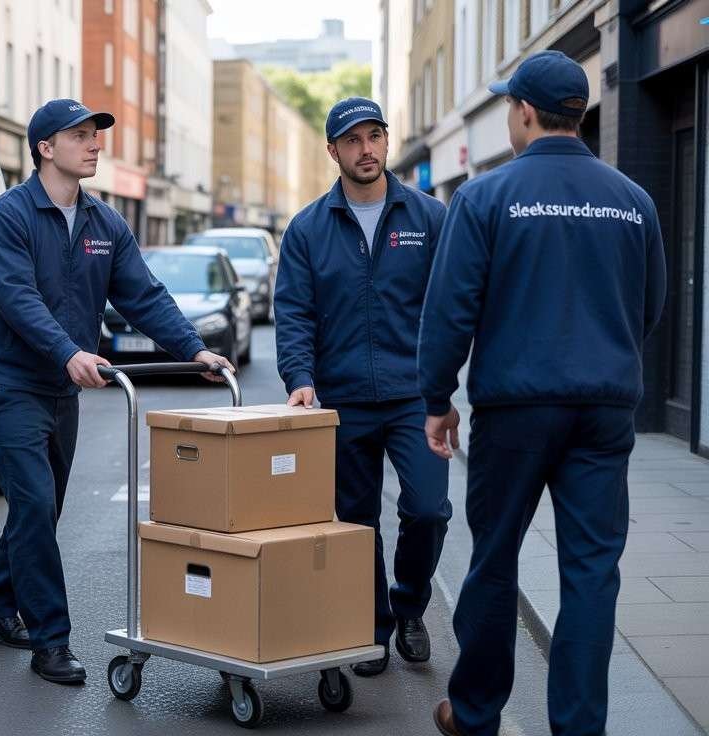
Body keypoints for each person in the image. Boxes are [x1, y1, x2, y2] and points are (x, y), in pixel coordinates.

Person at [420, 51, 666, 736]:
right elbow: (650, 307)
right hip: (605, 409)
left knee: (494, 560)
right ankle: (579, 727)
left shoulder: (485, 197)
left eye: (509, 106)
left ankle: (474, 714)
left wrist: (436, 399)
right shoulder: (633, 200)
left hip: (515, 410)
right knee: (591, 572)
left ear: (524, 112)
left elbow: (450, 312)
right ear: (580, 115)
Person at [0, 98, 235, 685]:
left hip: (61, 384)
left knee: (45, 504)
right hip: (7, 377)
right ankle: (50, 641)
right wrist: (68, 353)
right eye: (81, 136)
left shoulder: (104, 223)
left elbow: (144, 295)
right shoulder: (6, 218)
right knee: (35, 501)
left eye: (96, 135)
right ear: (44, 147)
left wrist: (194, 349)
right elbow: (17, 300)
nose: (95, 145)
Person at [274, 97, 451, 677]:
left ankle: (410, 607)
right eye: (353, 140)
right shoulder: (307, 227)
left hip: (414, 399)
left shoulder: (427, 217)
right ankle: (370, 627)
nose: (367, 149)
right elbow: (294, 311)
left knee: (428, 510)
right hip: (342, 398)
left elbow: (451, 306)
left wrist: (444, 388)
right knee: (355, 523)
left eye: (375, 136)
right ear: (333, 151)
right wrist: (300, 379)